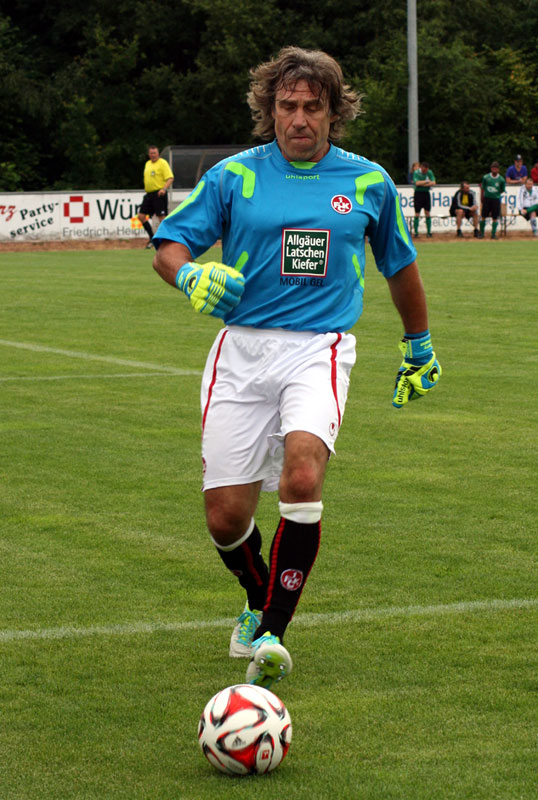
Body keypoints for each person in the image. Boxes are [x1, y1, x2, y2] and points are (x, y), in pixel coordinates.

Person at [151, 46, 441, 691]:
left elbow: (399, 264)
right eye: (288, 105)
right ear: (270, 110)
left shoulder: (368, 182)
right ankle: (256, 598)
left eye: (314, 107)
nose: (301, 118)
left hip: (321, 348)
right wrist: (189, 273)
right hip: (242, 349)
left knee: (303, 474)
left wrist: (418, 342)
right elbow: (168, 248)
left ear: (334, 113)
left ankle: (274, 634)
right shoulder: (234, 177)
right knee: (226, 517)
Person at [138, 145, 174, 248]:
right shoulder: (148, 164)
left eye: (155, 153)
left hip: (159, 194)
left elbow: (170, 178)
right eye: (151, 153)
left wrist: (164, 189)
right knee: (141, 216)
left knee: (162, 218)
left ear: (158, 154)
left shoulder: (162, 163)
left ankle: (168, 240)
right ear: (149, 154)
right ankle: (152, 238)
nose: (153, 155)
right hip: (149, 194)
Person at [480, 161, 506, 239]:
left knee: (495, 217)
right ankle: (482, 233)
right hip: (487, 198)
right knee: (483, 216)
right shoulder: (486, 177)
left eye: (496, 169)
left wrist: (495, 193)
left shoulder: (501, 179)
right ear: (491, 169)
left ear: (498, 170)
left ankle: (493, 234)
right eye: (493, 168)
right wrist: (483, 197)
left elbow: (502, 190)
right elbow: (483, 187)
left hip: (496, 199)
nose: (494, 170)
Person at [412, 161, 436, 238]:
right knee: (417, 214)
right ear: (421, 167)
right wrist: (426, 182)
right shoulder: (416, 172)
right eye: (424, 170)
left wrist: (423, 184)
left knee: (427, 213)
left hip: (426, 194)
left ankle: (429, 232)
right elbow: (417, 183)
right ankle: (416, 232)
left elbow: (433, 182)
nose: (426, 172)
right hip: (418, 194)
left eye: (426, 170)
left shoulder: (429, 172)